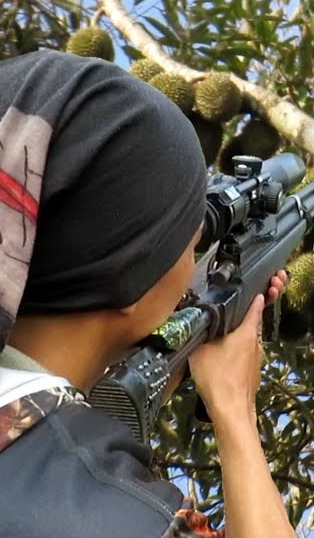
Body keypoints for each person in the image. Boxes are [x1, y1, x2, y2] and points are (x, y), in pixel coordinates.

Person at [0, 49, 297, 537]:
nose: (193, 263)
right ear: (130, 275)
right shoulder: (118, 513)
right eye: (190, 242)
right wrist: (234, 410)